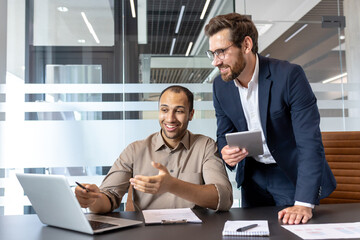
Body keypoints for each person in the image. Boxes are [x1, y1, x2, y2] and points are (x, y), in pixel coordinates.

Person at [204, 13, 336, 224]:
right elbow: (223, 134)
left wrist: (303, 203)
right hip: (252, 176)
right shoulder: (220, 86)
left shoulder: (289, 76)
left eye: (221, 52)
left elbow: (309, 143)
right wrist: (225, 152)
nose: (215, 62)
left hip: (289, 175)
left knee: (290, 231)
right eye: (211, 53)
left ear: (246, 45)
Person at [75, 85, 233, 213]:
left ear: (191, 114)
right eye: (164, 110)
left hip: (194, 233)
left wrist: (172, 185)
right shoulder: (135, 150)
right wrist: (92, 200)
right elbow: (109, 197)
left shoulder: (205, 146)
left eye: (179, 111)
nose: (170, 118)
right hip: (145, 234)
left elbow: (224, 199)